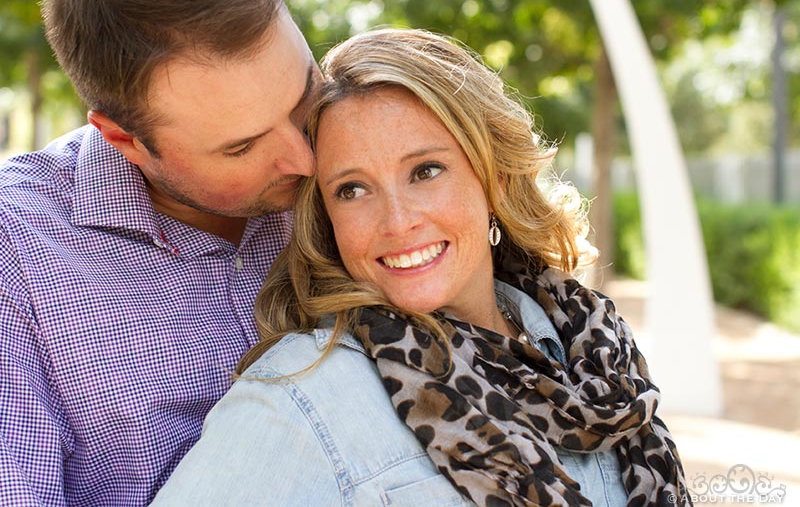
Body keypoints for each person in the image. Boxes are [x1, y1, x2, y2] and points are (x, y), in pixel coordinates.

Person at [153, 28, 690, 506]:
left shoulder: (588, 344)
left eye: (425, 171)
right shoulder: (305, 393)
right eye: (353, 189)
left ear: (494, 175)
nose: (396, 221)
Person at [0, 0, 319, 505]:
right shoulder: (17, 252)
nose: (306, 161)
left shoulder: (361, 151)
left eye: (305, 96)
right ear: (125, 140)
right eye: (241, 148)